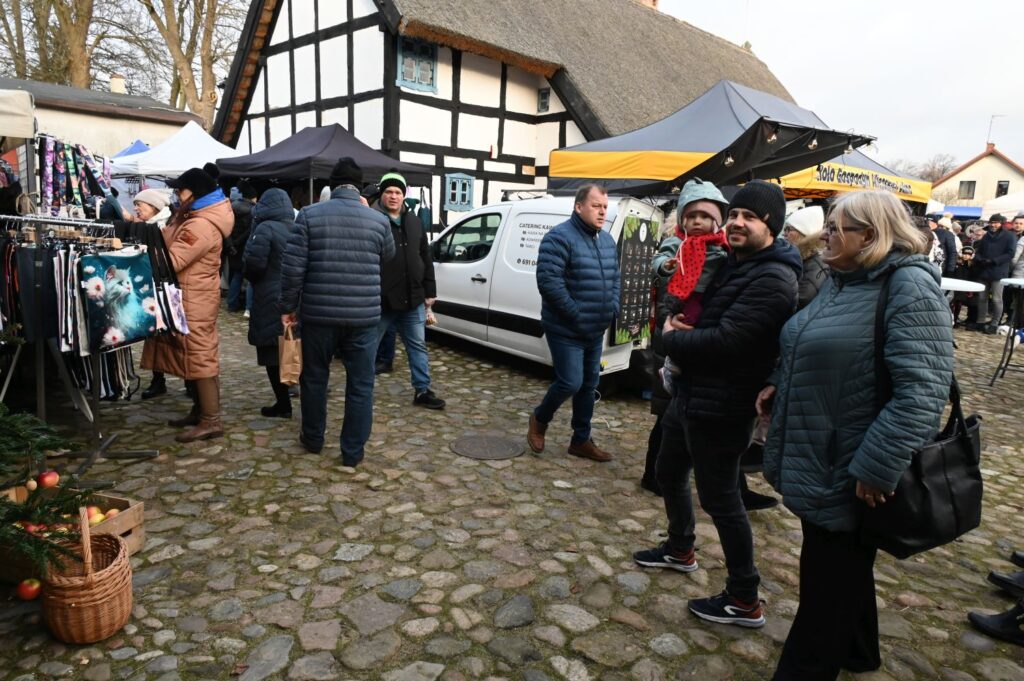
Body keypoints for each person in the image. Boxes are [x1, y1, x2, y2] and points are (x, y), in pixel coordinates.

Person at [761, 190, 953, 680]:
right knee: (839, 565)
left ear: (870, 235)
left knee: (825, 586)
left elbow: (923, 392)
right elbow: (811, 338)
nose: (825, 234)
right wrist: (779, 382)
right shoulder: (842, 280)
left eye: (836, 228)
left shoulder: (908, 286)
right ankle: (859, 650)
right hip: (821, 450)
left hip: (851, 463)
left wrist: (875, 467)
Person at [632, 180, 800, 629]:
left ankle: (745, 596)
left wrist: (671, 339)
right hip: (691, 395)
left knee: (722, 500)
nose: (738, 222)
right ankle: (680, 547)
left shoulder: (773, 278)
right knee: (668, 473)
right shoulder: (731, 263)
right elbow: (688, 302)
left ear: (772, 226)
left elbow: (729, 342)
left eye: (751, 217)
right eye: (736, 214)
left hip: (723, 406)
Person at [278, 157, 395, 465]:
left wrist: (288, 308)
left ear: (331, 185)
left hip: (318, 315)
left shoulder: (308, 215)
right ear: (359, 189)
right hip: (364, 317)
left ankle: (314, 438)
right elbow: (389, 256)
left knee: (315, 379)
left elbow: (292, 269)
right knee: (361, 384)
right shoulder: (378, 220)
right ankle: (352, 452)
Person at [642, 180, 729, 493]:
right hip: (677, 317)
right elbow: (656, 265)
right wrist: (664, 266)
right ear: (681, 221)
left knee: (674, 413)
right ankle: (656, 476)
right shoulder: (676, 244)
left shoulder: (722, 246)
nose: (696, 222)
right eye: (690, 217)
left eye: (703, 217)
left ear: (716, 221)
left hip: (700, 319)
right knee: (668, 411)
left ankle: (663, 474)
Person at [527, 183, 620, 462]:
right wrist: (576, 314)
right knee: (570, 382)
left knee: (589, 386)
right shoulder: (558, 238)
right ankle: (540, 419)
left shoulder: (606, 240)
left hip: (595, 329)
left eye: (605, 207)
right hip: (565, 329)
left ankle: (580, 440)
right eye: (596, 206)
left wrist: (611, 308)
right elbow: (549, 283)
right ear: (579, 206)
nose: (602, 212)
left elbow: (615, 278)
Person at [141, 167, 233, 442]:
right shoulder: (193, 216)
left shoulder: (201, 224)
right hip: (190, 295)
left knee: (200, 355)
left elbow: (174, 261)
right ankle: (199, 411)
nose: (176, 195)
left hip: (195, 299)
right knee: (191, 355)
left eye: (180, 190)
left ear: (194, 193)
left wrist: (141, 256)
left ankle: (211, 420)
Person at [372, 173, 442, 411]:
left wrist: (429, 290)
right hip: (382, 299)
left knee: (418, 346)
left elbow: (425, 256)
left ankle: (422, 390)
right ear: (382, 194)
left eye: (398, 192)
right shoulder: (373, 219)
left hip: (413, 296)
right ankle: (361, 388)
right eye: (389, 192)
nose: (393, 196)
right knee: (369, 346)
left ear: (404, 196)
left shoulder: (413, 221)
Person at [243, 188, 295, 418]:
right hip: (295, 297)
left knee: (273, 353)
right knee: (294, 346)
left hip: (269, 297)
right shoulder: (297, 226)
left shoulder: (264, 228)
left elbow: (254, 264)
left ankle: (283, 403)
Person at [972, 213, 1017, 333]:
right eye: (991, 222)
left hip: (998, 271)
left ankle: (994, 323)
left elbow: (1010, 253)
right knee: (982, 298)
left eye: (995, 222)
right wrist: (979, 259)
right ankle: (980, 321)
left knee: (997, 299)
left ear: (1001, 223)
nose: (993, 225)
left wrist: (994, 261)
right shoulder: (987, 236)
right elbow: (979, 250)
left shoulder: (1009, 236)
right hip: (984, 269)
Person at [782, 205, 827, 310]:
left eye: (788, 229)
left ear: (803, 233)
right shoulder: (805, 258)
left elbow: (800, 301)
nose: (784, 234)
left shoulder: (814, 264)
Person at [227, 181, 257, 312]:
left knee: (236, 276)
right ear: (252, 197)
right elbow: (249, 232)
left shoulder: (231, 207)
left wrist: (231, 244)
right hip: (244, 247)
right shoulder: (252, 211)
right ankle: (247, 307)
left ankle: (232, 304)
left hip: (232, 246)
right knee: (248, 278)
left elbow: (227, 228)